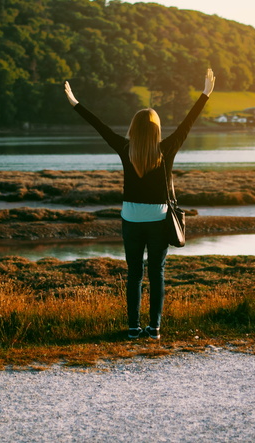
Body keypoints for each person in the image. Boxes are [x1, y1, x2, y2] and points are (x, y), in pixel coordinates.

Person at [64, 68, 216, 340]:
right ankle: (154, 328)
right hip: (159, 220)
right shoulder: (166, 150)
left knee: (134, 274)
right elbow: (187, 124)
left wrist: (75, 103)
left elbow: (99, 126)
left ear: (133, 129)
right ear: (157, 129)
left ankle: (134, 328)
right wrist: (205, 94)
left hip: (131, 219)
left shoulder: (125, 149)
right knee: (156, 274)